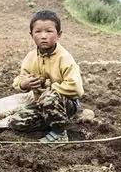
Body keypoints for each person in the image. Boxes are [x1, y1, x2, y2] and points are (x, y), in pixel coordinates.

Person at [10, 10, 84, 142]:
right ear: (31, 34)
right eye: (38, 31)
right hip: (42, 103)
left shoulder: (64, 58)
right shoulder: (30, 57)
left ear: (59, 34)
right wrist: (24, 84)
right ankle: (55, 121)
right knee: (16, 121)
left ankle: (60, 134)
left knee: (49, 97)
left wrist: (50, 87)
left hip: (66, 103)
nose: (43, 36)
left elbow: (76, 88)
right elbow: (21, 78)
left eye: (49, 31)